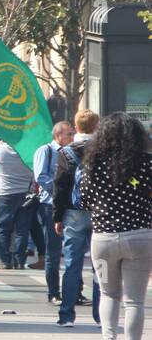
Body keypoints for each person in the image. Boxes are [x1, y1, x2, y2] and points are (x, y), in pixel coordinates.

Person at [72, 112, 151, 340]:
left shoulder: (92, 166)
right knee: (135, 301)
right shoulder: (147, 163)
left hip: (103, 239)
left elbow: (83, 202)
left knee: (108, 294)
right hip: (140, 237)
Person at [54, 110, 99, 327]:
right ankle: (101, 316)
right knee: (101, 265)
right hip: (100, 212)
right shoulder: (105, 150)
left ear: (76, 126)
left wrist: (57, 215)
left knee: (72, 263)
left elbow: (60, 185)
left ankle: (67, 315)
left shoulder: (66, 152)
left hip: (73, 212)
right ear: (96, 126)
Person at [34, 120, 76, 303]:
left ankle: (74, 291)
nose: (72, 137)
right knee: (53, 250)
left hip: (70, 206)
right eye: (69, 134)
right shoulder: (46, 151)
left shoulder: (72, 152)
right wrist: (60, 191)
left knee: (73, 250)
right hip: (50, 204)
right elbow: (41, 176)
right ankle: (53, 292)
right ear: (58, 135)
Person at [0, 137, 36, 269]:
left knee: (4, 228)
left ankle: (5, 260)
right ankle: (20, 261)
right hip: (26, 194)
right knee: (22, 230)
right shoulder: (28, 150)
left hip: (7, 194)